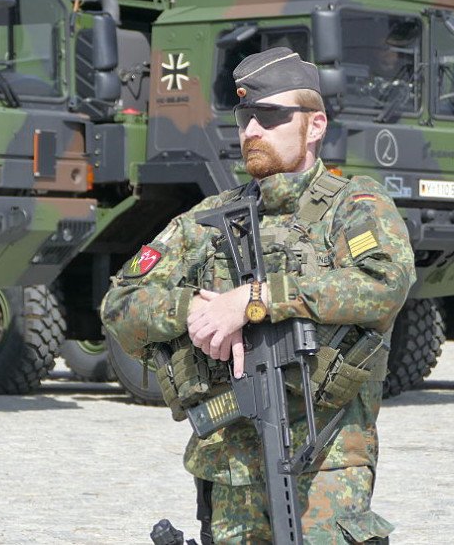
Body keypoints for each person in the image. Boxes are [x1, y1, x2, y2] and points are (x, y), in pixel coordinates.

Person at [101, 46, 415, 541]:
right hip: (230, 476)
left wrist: (252, 301)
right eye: (244, 117)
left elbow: (382, 284)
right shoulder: (207, 219)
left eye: (269, 117)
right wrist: (194, 310)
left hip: (325, 464)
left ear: (315, 126)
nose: (250, 131)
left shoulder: (354, 207)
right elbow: (120, 304)